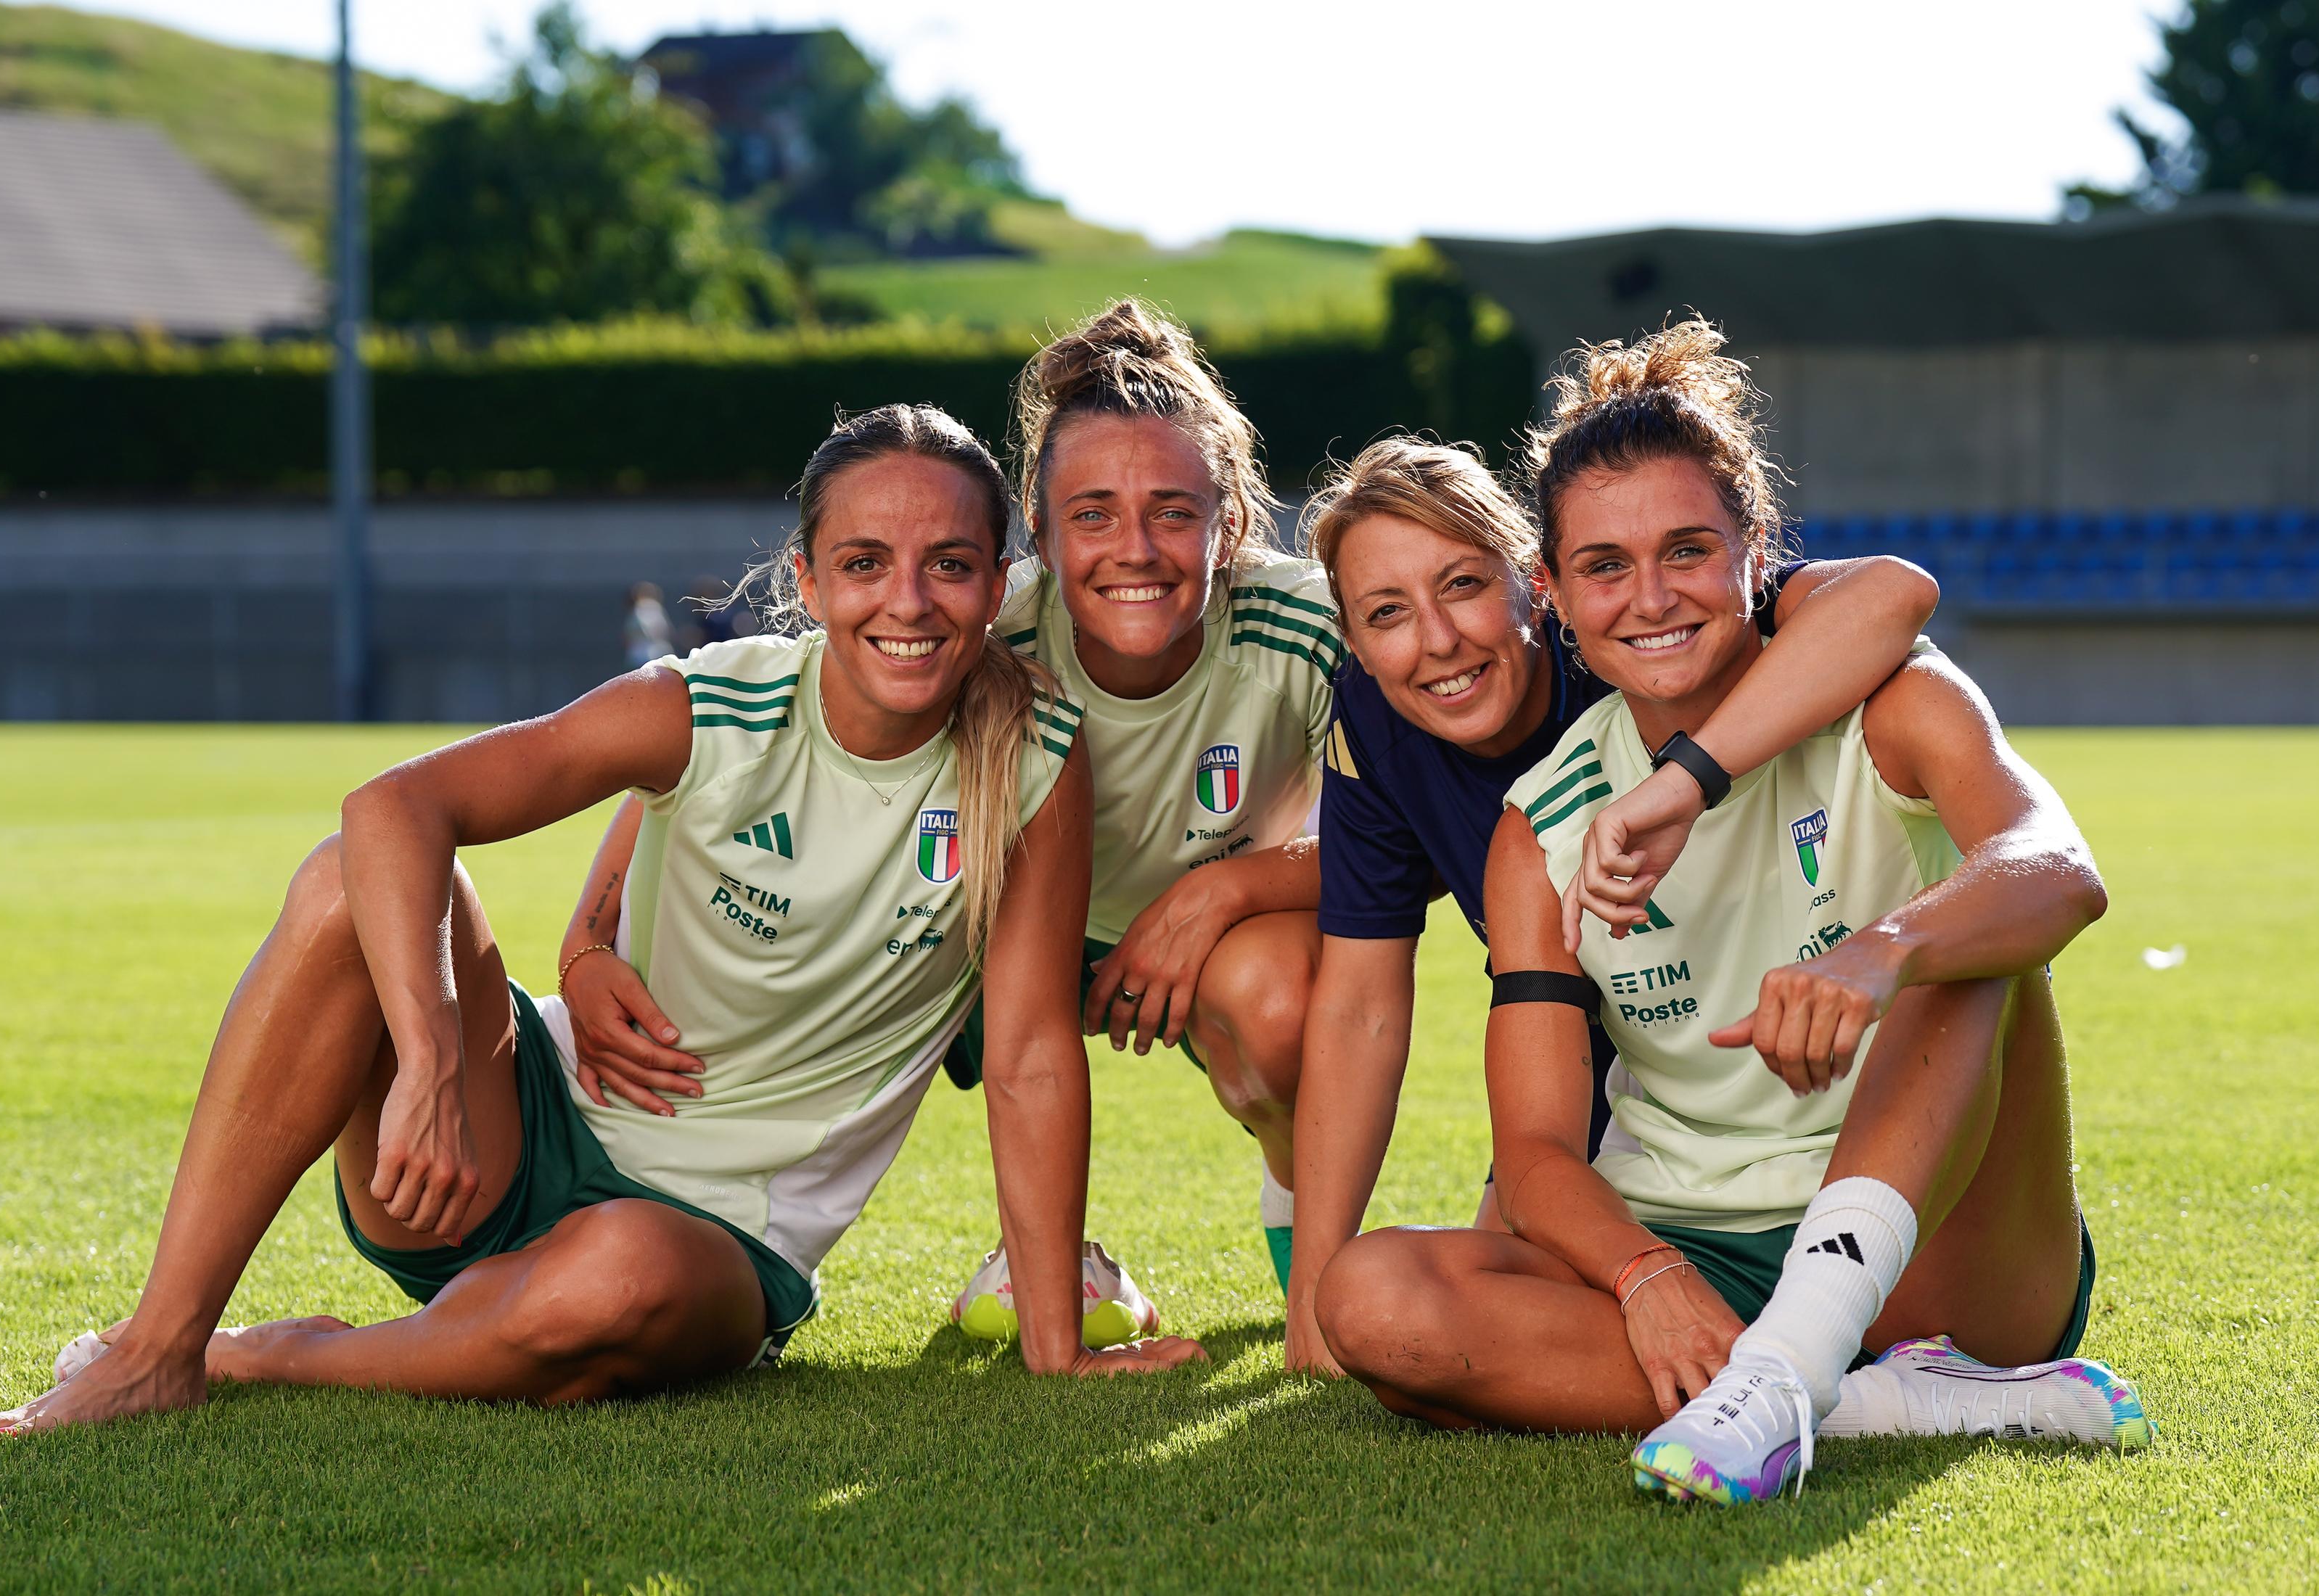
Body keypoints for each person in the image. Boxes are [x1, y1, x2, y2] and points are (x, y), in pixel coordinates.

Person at [0, 404, 1204, 1437]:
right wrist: (432, 1060)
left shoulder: (1034, 756)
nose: (910, 599)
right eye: (867, 561)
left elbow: (1033, 1051)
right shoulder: (704, 706)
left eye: (949, 562)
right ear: (812, 579)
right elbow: (395, 806)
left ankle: (265, 1356)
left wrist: (1056, 1347)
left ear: (998, 583)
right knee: (347, 880)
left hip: (706, 1245)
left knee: (613, 1277)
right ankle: (159, 1343)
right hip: (492, 1145)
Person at [1310, 323, 2153, 1502]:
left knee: (1965, 949)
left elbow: (2057, 869)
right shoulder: (1536, 830)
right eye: (1605, 567)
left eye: (1690, 551)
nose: (1651, 598)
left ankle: (1799, 1354)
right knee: (1374, 1303)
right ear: (1552, 593)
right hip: (1696, 1244)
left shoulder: (1893, 704)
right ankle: (1853, 1397)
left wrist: (1882, 952)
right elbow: (1541, 1152)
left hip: (1940, 1249)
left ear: (1758, 553)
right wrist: (1648, 1279)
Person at [561, 303, 1339, 1323]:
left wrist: (1226, 890)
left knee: (1285, 999)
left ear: (1231, 522)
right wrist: (584, 943)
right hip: (988, 933)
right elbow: (722, 732)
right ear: (1041, 531)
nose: (1134, 548)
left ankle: (1314, 1259)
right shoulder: (973, 621)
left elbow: (1418, 825)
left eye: (1175, 512)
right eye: (1094, 513)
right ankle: (1036, 1263)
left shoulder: (1309, 624)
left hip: (1205, 944)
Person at [1284, 434, 1943, 1373]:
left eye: (1464, 585)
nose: (1437, 640)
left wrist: (1680, 780)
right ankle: (1845, 1390)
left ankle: (1825, 1319)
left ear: (1529, 582)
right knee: (1403, 1301)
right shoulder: (1384, 721)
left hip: (1826, 1086)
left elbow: (1889, 594)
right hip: (1611, 1078)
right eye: (1387, 612)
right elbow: (1360, 1006)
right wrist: (1314, 1304)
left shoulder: (1641, 633)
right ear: (1352, 639)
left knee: (1954, 957)